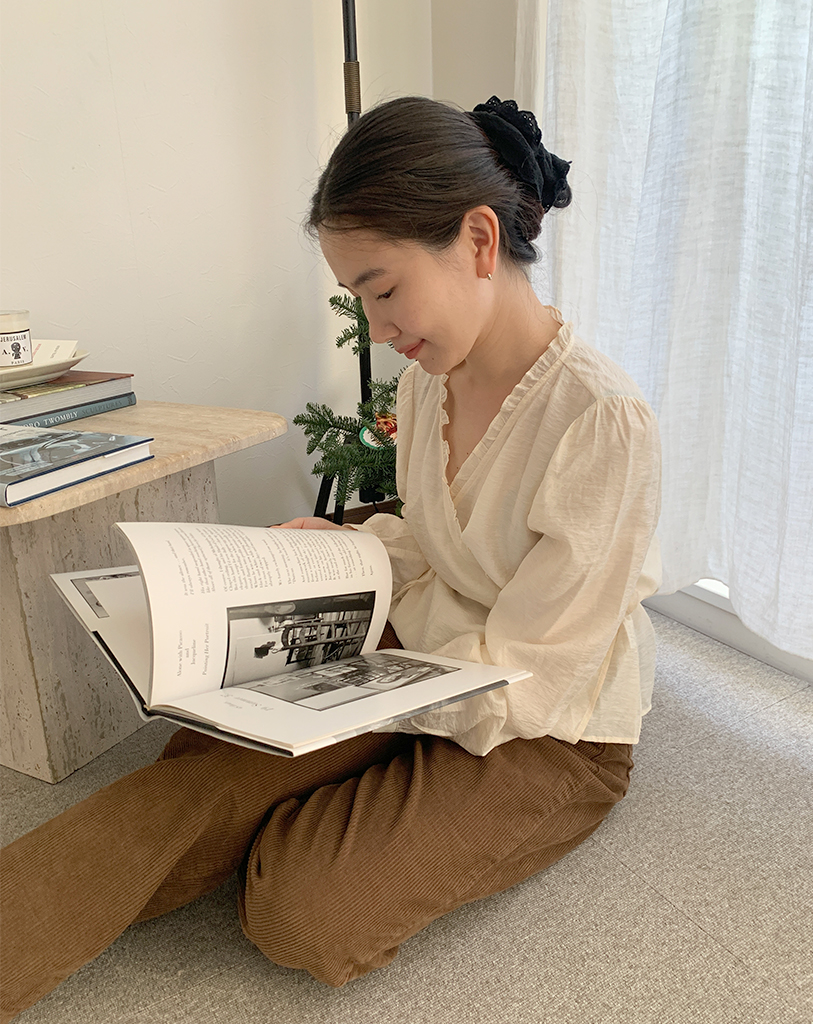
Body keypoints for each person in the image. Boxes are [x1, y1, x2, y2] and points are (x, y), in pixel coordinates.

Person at [0, 95, 661, 1022]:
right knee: (202, 771)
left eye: (383, 290)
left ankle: (310, 803)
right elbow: (438, 540)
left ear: (479, 240)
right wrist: (347, 552)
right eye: (360, 299)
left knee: (304, 915)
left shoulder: (601, 422)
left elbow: (540, 672)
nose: (378, 327)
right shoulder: (429, 384)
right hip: (429, 649)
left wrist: (364, 709)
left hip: (549, 723)